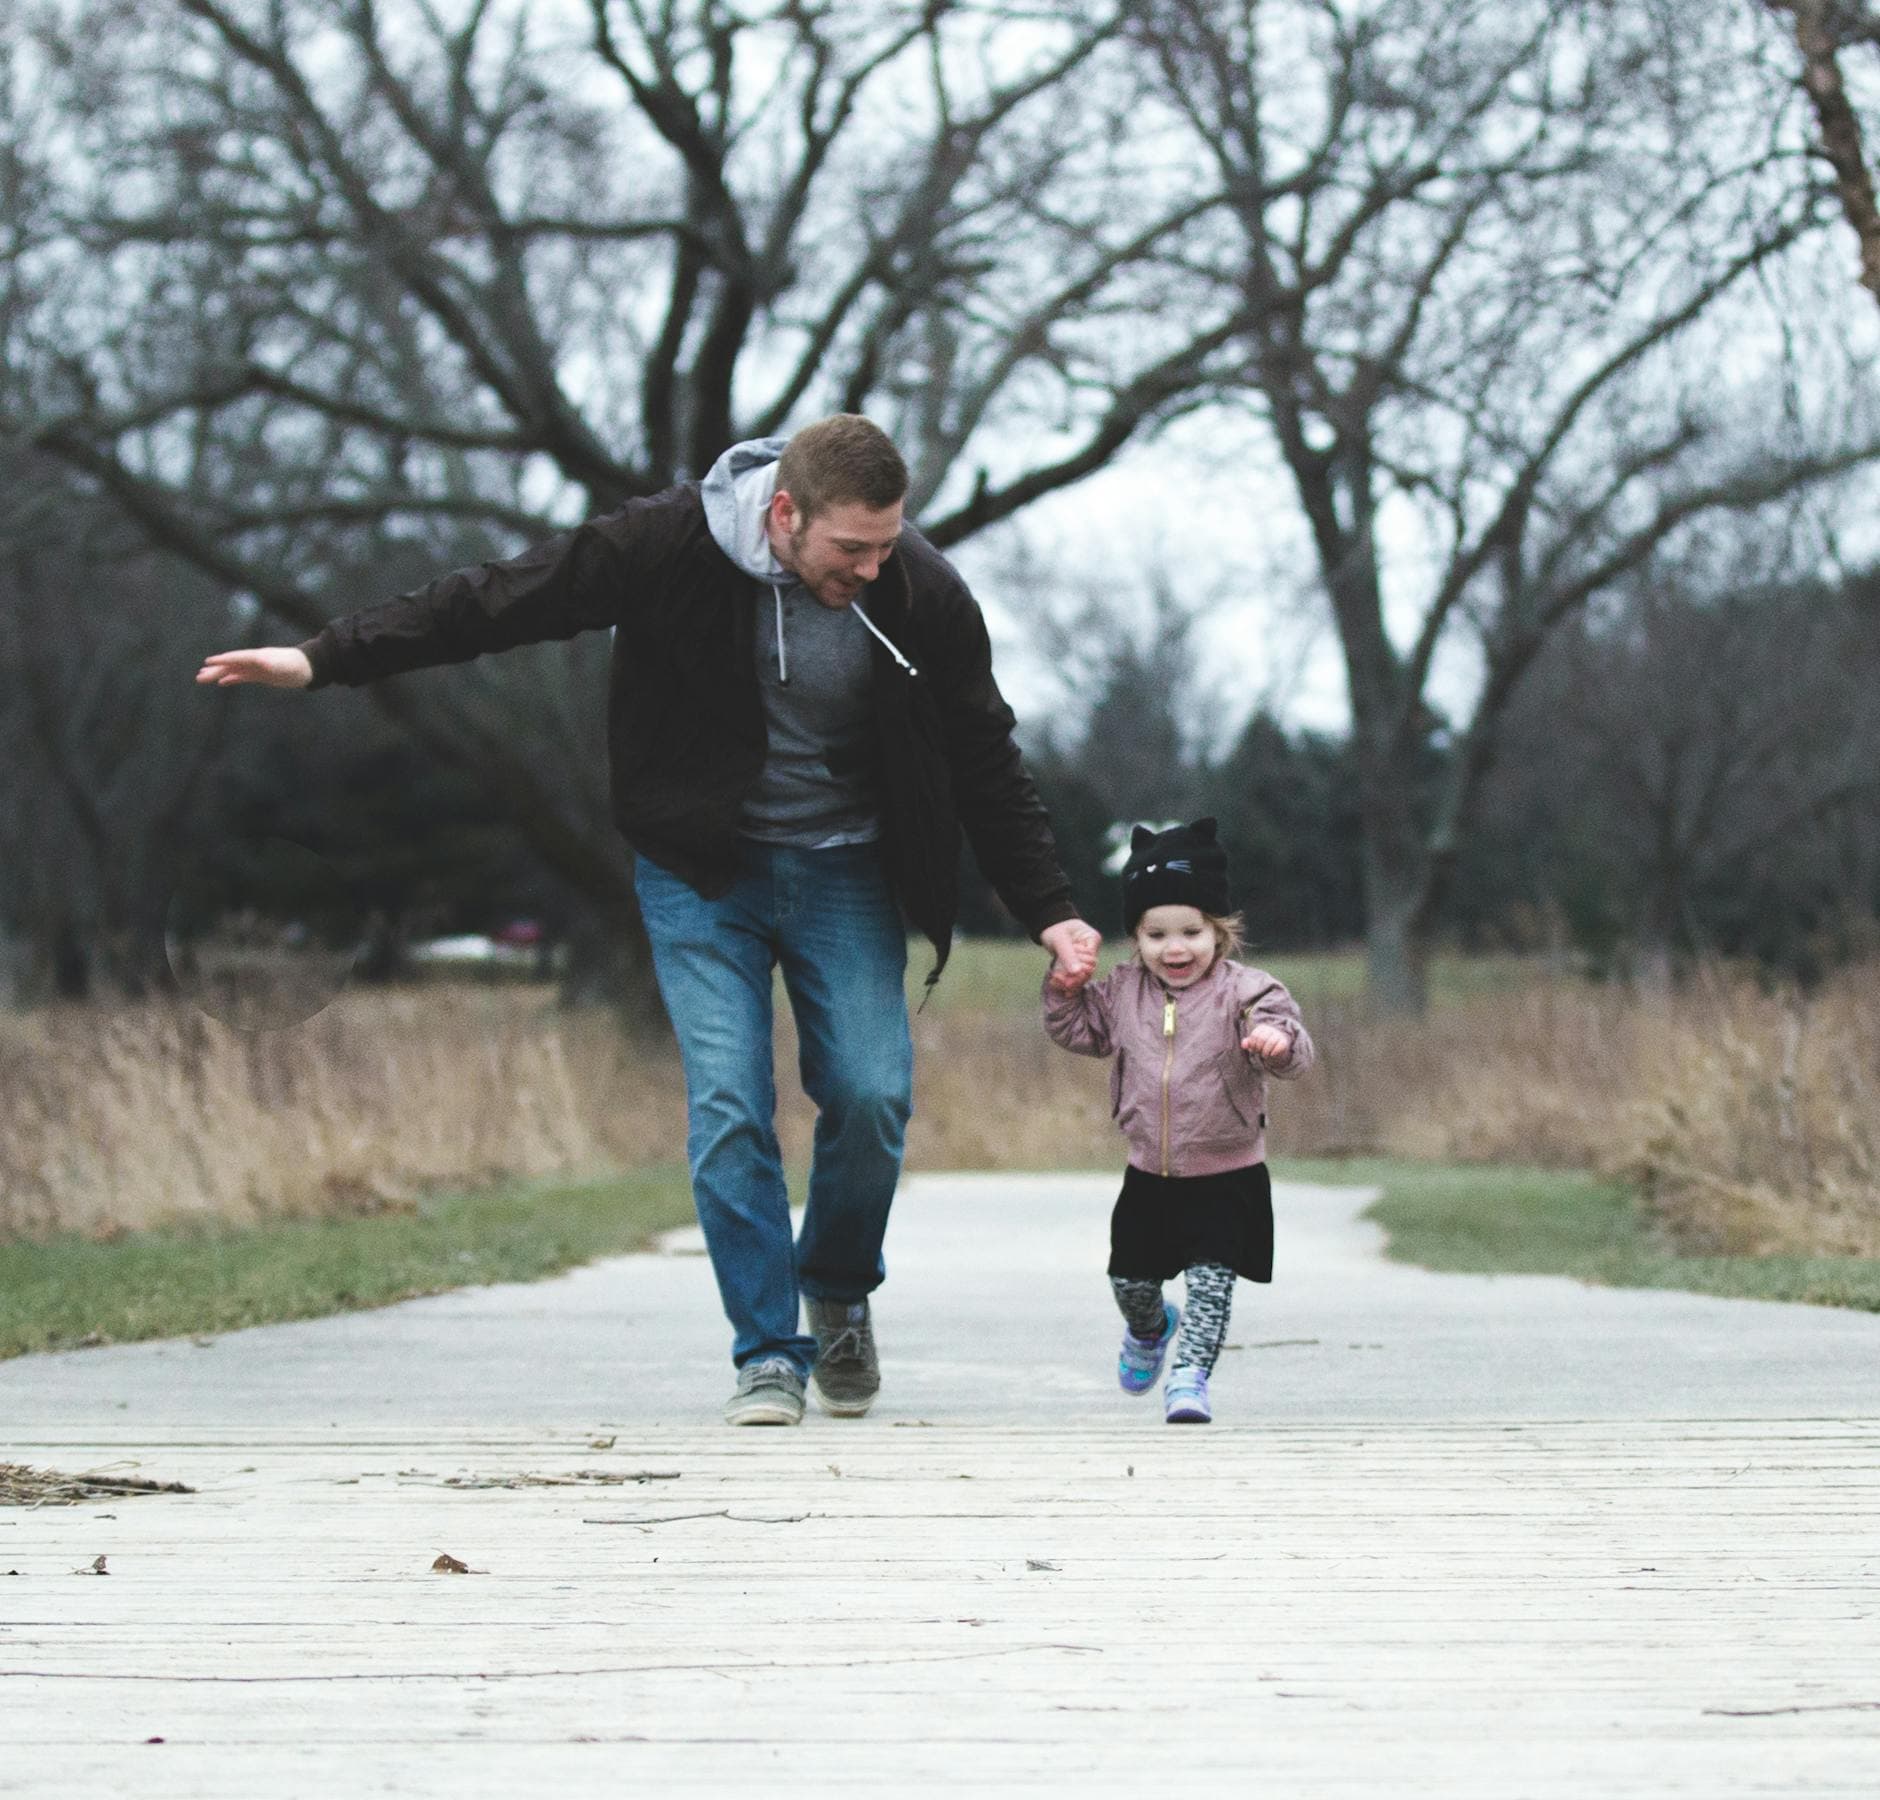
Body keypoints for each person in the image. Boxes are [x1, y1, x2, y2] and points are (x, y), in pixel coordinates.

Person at [197, 415, 1101, 1426]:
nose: (870, 566)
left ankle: (838, 1286)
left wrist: (1051, 914)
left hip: (843, 867)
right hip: (699, 868)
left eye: (886, 542)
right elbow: (499, 600)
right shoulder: (664, 543)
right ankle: (767, 1351)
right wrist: (323, 659)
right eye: (851, 548)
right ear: (784, 511)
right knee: (727, 1106)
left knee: (871, 1094)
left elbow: (984, 754)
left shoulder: (919, 590)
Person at [1041, 818, 1313, 1424]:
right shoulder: (1121, 992)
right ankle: (1152, 1327)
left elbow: (1297, 1048)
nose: (1176, 948)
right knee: (1130, 1284)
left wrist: (1277, 1040)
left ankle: (1189, 1380)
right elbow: (1076, 1032)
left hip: (1227, 1174)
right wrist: (1063, 991)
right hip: (1149, 1174)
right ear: (1135, 938)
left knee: (1212, 1288)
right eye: (1156, 934)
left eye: (1192, 931)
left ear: (1220, 931)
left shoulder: (1249, 993)